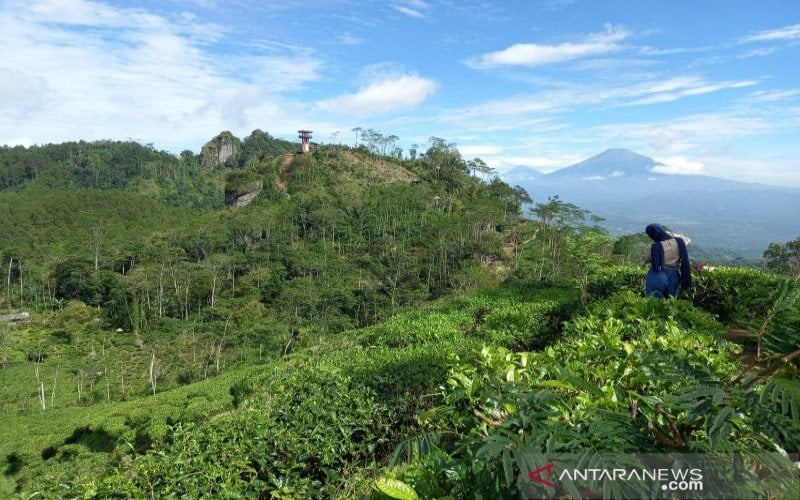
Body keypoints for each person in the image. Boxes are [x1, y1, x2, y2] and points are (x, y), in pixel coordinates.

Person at [642, 223, 692, 299]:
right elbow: (688, 239)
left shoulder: (655, 247)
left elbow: (643, 261)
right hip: (674, 275)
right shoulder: (680, 242)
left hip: (658, 274)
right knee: (671, 300)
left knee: (653, 300)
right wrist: (671, 234)